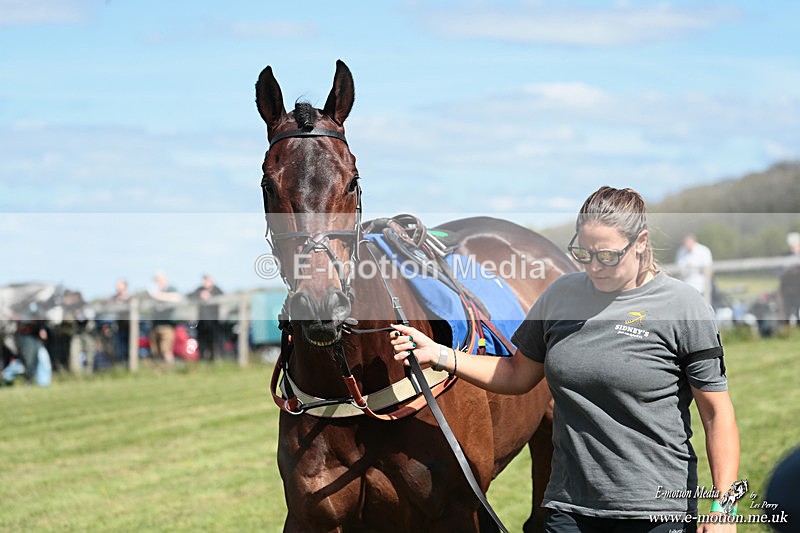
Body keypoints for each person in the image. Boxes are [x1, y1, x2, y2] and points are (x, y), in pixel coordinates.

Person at [391, 186, 740, 532]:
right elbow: (516, 374)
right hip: (568, 508)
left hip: (655, 511)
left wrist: (723, 506)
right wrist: (440, 354)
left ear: (641, 242)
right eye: (583, 253)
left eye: (607, 256)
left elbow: (716, 413)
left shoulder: (683, 307)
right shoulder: (561, 296)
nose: (594, 267)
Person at [147, 272, 182, 366]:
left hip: (167, 325)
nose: (158, 283)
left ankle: (171, 369)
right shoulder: (153, 292)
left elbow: (177, 297)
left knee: (165, 350)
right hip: (155, 325)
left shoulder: (170, 289)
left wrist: (158, 295)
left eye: (159, 280)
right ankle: (160, 370)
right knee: (155, 350)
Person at [188, 274, 224, 360]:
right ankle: (202, 361)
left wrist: (210, 295)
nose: (206, 283)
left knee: (213, 343)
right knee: (202, 343)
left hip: (213, 322)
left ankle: (213, 360)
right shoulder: (200, 290)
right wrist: (200, 294)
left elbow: (223, 296)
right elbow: (189, 295)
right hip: (202, 322)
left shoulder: (217, 290)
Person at [676, 234, 714, 303]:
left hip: (702, 287)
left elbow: (708, 269)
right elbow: (679, 268)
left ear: (694, 242)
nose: (687, 245)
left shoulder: (703, 250)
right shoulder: (681, 251)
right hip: (687, 287)